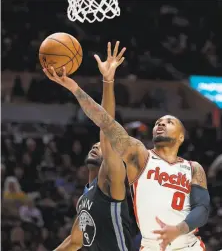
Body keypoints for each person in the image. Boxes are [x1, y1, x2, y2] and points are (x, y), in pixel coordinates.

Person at [44, 42, 210, 251]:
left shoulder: (193, 168)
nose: (161, 123)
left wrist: (179, 228)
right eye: (158, 122)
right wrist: (76, 87)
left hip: (190, 245)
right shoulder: (139, 156)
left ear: (181, 137)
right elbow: (105, 123)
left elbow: (202, 209)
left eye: (169, 122)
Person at [54, 42, 134, 251]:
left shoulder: (112, 179)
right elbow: (74, 242)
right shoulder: (85, 197)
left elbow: (106, 125)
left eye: (101, 146)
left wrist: (107, 80)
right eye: (94, 145)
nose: (95, 146)